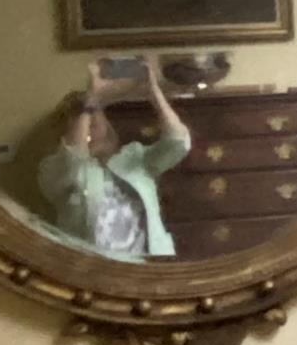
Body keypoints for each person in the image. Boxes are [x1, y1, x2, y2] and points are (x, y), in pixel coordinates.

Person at [37, 55, 192, 259]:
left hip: (150, 266)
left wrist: (153, 92)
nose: (90, 125)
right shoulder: (53, 168)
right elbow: (74, 155)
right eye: (83, 121)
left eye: (95, 119)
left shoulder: (136, 157)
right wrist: (90, 99)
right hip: (95, 269)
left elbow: (179, 143)